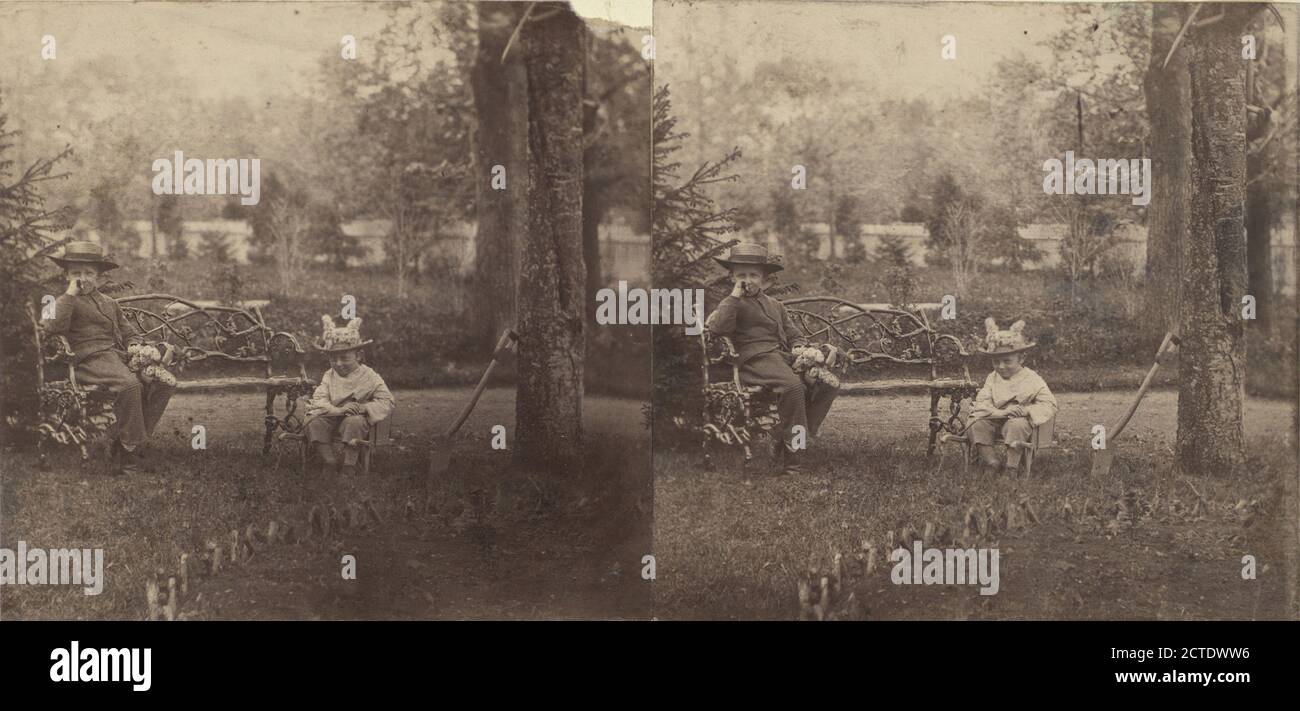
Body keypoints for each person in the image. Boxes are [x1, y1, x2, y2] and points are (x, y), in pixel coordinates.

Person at [704, 242, 838, 475]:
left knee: (828, 382)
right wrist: (734, 297)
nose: (748, 280)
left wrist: (799, 348)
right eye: (741, 275)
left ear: (764, 278)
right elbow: (717, 329)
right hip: (752, 361)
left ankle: (788, 436)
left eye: (754, 275)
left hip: (779, 359)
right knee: (794, 387)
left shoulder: (775, 304)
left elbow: (793, 333)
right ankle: (794, 462)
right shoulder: (731, 304)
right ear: (732, 277)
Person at [44, 241, 174, 475]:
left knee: (164, 382)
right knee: (130, 385)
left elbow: (128, 332)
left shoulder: (109, 303)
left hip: (116, 357)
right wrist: (70, 294)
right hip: (87, 360)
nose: (83, 278)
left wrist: (135, 346)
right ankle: (129, 458)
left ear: (99, 275)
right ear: (66, 275)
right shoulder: (58, 301)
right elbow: (50, 328)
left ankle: (127, 441)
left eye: (89, 273)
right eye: (76, 273)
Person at [304, 316, 395, 476]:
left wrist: (364, 407)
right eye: (333, 359)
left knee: (353, 422)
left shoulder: (369, 376)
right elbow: (319, 398)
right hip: (334, 414)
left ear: (358, 356)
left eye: (345, 358)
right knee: (313, 421)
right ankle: (329, 461)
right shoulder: (329, 375)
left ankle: (349, 465)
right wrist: (337, 410)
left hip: (355, 418)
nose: (338, 364)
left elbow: (386, 400)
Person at [968, 318, 1058, 473]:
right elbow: (982, 400)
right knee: (977, 423)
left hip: (1018, 420)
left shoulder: (1031, 378)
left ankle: (1012, 466)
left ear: (1021, 359)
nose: (1001, 366)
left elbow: (1049, 404)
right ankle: (992, 462)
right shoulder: (992, 377)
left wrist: (1027, 410)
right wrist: (999, 412)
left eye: (1007, 361)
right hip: (995, 418)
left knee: (1016, 425)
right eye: (996, 362)